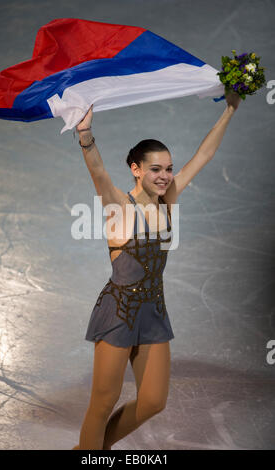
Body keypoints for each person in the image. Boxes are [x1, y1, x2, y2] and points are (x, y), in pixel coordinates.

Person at [72, 91, 241, 450]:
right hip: (118, 311)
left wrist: (230, 108)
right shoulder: (119, 204)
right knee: (102, 403)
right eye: (155, 169)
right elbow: (99, 172)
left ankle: (95, 451)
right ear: (135, 169)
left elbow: (204, 155)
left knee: (153, 400)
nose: (165, 176)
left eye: (168, 168)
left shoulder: (169, 200)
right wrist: (85, 134)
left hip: (154, 311)